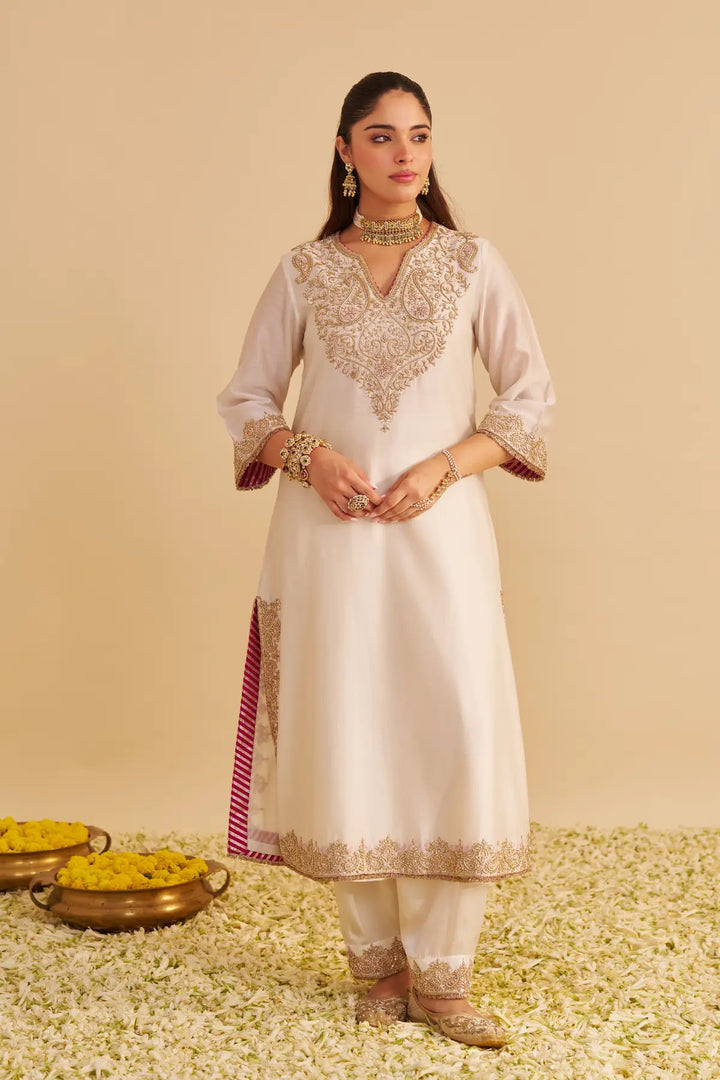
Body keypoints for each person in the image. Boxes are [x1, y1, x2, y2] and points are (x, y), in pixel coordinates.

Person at [216, 71, 556, 1048]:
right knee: (347, 720)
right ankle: (380, 968)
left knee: (451, 720)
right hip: (328, 542)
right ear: (344, 151)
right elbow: (247, 402)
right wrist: (310, 461)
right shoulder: (302, 272)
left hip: (440, 536)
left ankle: (444, 977)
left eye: (418, 135)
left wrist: (447, 467)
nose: (404, 153)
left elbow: (529, 401)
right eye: (380, 135)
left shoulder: (475, 264)